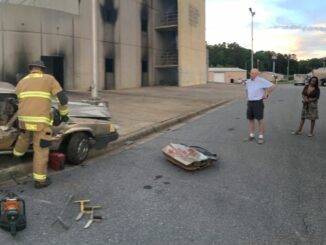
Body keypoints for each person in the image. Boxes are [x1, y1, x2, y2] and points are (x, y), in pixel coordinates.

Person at [13, 61, 69, 189]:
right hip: (40, 123)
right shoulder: (49, 79)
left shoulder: (21, 81)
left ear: (30, 69)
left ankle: (17, 155)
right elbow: (63, 99)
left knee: (24, 137)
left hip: (23, 121)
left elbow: (19, 99)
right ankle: (40, 180)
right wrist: (64, 114)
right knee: (41, 150)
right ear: (42, 69)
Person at [245, 68, 276, 144]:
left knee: (259, 120)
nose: (251, 74)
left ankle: (261, 136)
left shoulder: (261, 80)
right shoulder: (248, 82)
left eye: (253, 73)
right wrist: (248, 97)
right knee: (251, 119)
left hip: (258, 102)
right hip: (250, 102)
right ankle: (251, 135)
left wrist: (267, 93)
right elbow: (247, 90)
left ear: (257, 74)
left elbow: (273, 86)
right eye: (251, 73)